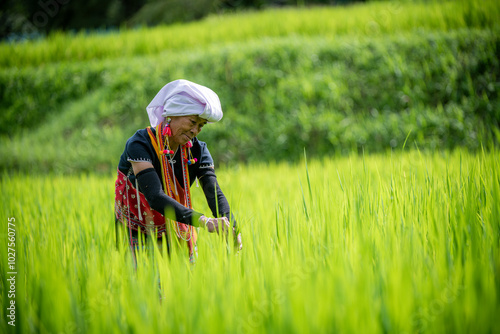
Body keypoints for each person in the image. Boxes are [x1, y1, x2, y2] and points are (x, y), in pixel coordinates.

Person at [114, 79, 242, 262]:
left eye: (201, 125)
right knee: (147, 289)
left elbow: (214, 193)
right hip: (138, 233)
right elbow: (155, 196)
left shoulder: (198, 150)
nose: (195, 130)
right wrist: (205, 222)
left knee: (183, 289)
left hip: (179, 229)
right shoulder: (140, 144)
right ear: (172, 114)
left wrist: (233, 229)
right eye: (192, 121)